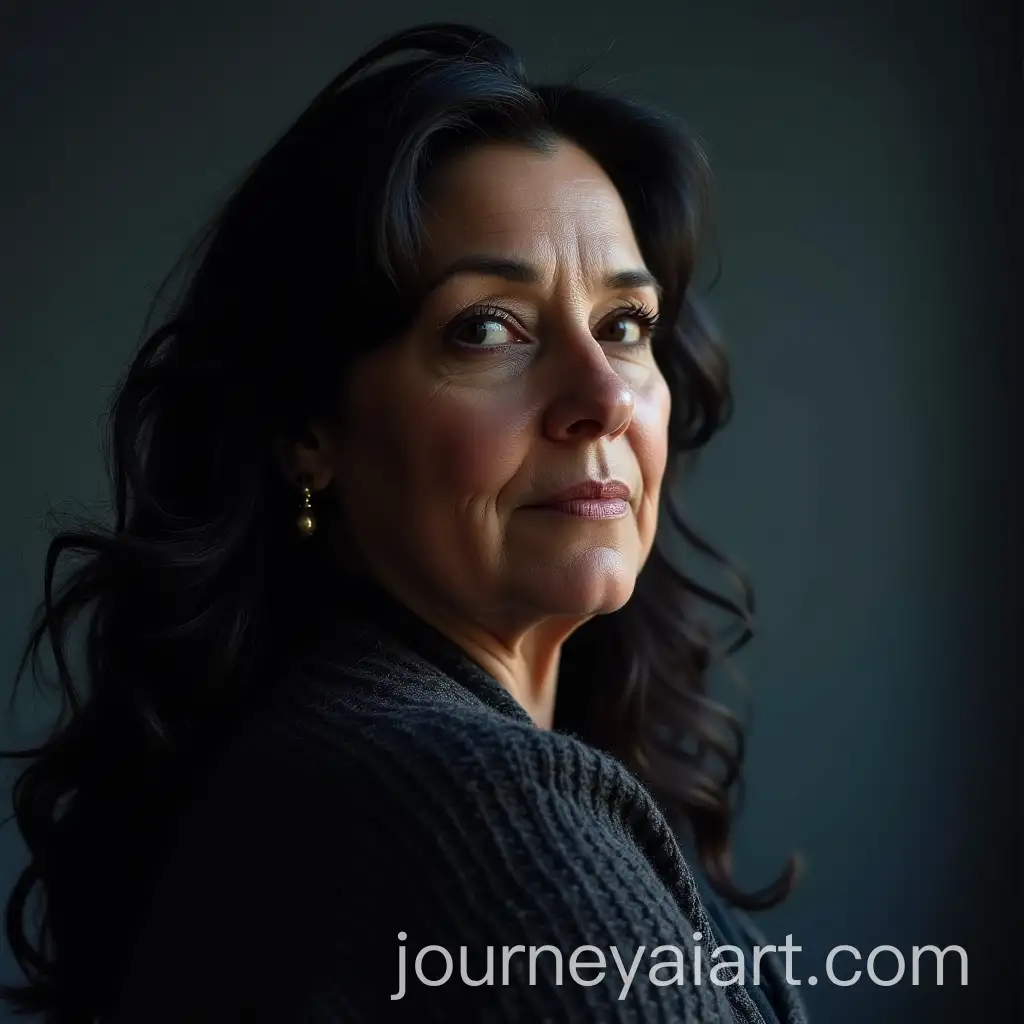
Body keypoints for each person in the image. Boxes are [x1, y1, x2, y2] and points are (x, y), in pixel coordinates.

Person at [1, 22, 807, 1024]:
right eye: (487, 328)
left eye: (623, 326)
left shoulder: (303, 758)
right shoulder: (476, 807)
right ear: (307, 425)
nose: (600, 394)